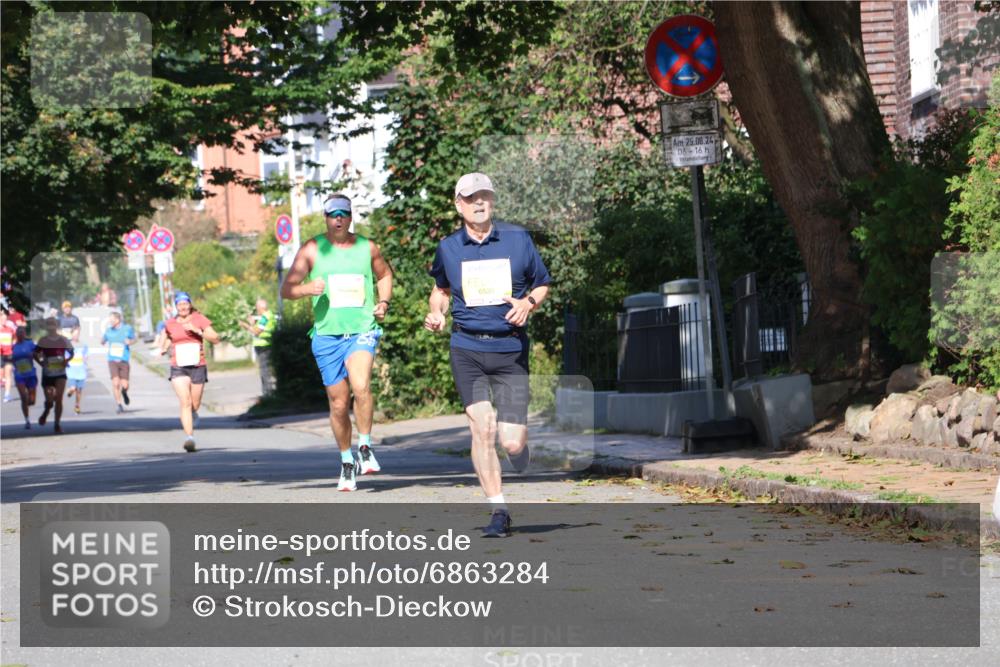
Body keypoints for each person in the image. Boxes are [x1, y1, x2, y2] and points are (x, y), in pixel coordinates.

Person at [424, 173, 551, 537]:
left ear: (492, 201)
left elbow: (541, 283)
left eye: (485, 196)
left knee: (511, 440)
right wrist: (437, 311)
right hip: (467, 348)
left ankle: (518, 450)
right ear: (458, 204)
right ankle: (499, 509)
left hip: (510, 348)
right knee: (483, 427)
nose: (479, 202)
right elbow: (441, 290)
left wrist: (528, 303)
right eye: (471, 197)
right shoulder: (448, 248)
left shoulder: (517, 239)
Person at [280, 194, 393, 491]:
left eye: (344, 213)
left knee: (361, 385)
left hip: (361, 330)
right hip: (327, 335)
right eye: (333, 214)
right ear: (326, 218)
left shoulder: (367, 247)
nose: (339, 218)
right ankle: (346, 460)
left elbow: (384, 275)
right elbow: (287, 290)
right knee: (339, 403)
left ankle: (365, 447)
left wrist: (383, 302)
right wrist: (307, 289)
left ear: (351, 216)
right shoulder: (313, 249)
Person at [159, 292, 219, 452]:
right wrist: (164, 348)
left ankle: (193, 414)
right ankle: (189, 438)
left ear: (190, 304)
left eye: (185, 304)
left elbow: (215, 338)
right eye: (179, 304)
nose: (183, 307)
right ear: (176, 306)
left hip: (198, 366)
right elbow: (167, 338)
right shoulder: (170, 323)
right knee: (184, 402)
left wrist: (198, 331)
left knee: (194, 403)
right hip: (178, 366)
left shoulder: (199, 319)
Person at [34, 317, 74, 433]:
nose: (51, 326)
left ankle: (57, 423)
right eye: (49, 324)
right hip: (48, 374)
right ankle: (46, 412)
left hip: (60, 373)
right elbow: (35, 354)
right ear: (46, 327)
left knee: (59, 399)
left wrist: (67, 360)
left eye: (53, 324)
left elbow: (71, 353)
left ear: (57, 326)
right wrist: (41, 363)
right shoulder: (43, 340)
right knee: (50, 401)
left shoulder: (64, 340)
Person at [240, 299, 277, 396]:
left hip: (263, 346)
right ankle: (267, 393)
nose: (256, 309)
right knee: (265, 370)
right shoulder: (269, 315)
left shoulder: (265, 317)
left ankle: (267, 394)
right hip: (265, 345)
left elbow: (257, 331)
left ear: (260, 307)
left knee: (264, 371)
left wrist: (247, 325)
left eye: (257, 307)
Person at [102, 310, 136, 413]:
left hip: (124, 360)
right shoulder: (108, 330)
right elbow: (103, 340)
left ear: (118, 319)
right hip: (112, 360)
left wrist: (130, 342)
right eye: (110, 319)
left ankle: (124, 392)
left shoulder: (127, 329)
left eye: (112, 319)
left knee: (125, 384)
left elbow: (134, 339)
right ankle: (119, 404)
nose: (110, 321)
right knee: (115, 383)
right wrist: (102, 341)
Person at [11, 326, 38, 429]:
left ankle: (28, 403)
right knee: (23, 397)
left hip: (31, 374)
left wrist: (42, 361)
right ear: (16, 335)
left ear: (24, 334)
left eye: (22, 332)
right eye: (18, 333)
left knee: (32, 400)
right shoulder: (13, 347)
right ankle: (27, 420)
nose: (20, 334)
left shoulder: (30, 344)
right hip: (19, 375)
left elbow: (38, 353)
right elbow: (10, 359)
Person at [64, 342, 88, 415]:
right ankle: (70, 391)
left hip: (81, 371)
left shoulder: (83, 345)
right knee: (73, 388)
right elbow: (65, 357)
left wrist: (85, 361)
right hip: (71, 371)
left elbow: (85, 357)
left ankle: (77, 406)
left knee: (79, 390)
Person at [0, 309, 16, 402]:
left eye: (5, 317)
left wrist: (13, 347)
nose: (4, 318)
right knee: (1, 374)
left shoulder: (10, 329)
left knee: (8, 374)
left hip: (9, 354)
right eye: (2, 316)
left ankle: (7, 394)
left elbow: (14, 340)